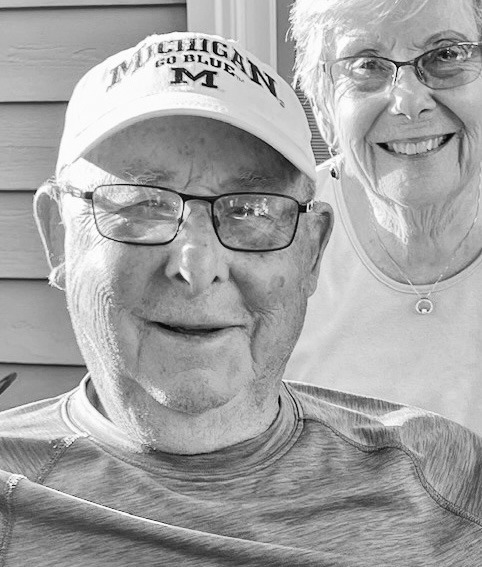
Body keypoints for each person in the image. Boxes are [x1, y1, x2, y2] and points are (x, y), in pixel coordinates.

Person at [0, 31, 481, 566]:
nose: (197, 267)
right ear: (57, 237)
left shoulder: (440, 481)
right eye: (143, 205)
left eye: (251, 211)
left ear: (313, 253)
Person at [288, 0, 482, 435]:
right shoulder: (270, 247)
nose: (409, 102)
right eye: (367, 65)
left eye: (446, 55)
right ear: (322, 104)